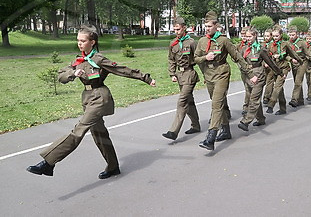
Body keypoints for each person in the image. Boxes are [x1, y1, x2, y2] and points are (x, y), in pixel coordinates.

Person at [27, 25, 156, 179]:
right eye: (78, 40)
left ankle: (49, 162)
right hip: (87, 98)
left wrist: (146, 78)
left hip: (99, 97)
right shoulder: (78, 60)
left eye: (83, 41)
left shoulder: (99, 59)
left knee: (78, 130)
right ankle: (113, 166)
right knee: (99, 135)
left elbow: (122, 69)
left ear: (92, 42)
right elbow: (61, 76)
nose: (79, 43)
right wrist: (73, 73)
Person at [194, 11, 251, 150]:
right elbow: (195, 59)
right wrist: (205, 58)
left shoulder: (223, 40)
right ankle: (225, 131)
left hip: (222, 74)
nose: (207, 28)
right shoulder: (202, 41)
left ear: (216, 26)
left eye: (209, 26)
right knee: (221, 103)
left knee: (216, 104)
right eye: (205, 26)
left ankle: (210, 137)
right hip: (209, 75)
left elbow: (237, 56)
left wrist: (249, 72)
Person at [162, 17, 201, 140]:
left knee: (182, 101)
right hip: (180, 75)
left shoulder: (191, 42)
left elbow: (199, 59)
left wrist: (207, 75)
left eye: (178, 29)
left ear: (184, 28)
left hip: (190, 74)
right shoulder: (173, 43)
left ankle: (173, 131)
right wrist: (172, 74)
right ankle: (196, 125)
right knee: (189, 101)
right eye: (174, 29)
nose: (176, 32)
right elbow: (171, 59)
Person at [238, 28, 282, 131]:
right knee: (252, 98)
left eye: (250, 36)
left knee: (254, 99)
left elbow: (270, 62)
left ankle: (246, 121)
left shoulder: (260, 49)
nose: (248, 39)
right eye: (246, 36)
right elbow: (239, 61)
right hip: (248, 76)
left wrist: (279, 73)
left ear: (255, 36)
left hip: (259, 76)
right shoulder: (244, 49)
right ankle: (261, 119)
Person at [266, 25, 303, 115]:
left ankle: (271, 105)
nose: (275, 38)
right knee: (280, 90)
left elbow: (292, 54)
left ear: (281, 35)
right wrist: (267, 61)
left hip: (283, 69)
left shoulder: (285, 44)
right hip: (274, 68)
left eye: (276, 36)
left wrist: (299, 60)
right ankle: (283, 109)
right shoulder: (270, 45)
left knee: (277, 87)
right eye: (273, 36)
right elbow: (267, 56)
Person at [287, 26, 311, 108]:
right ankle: (300, 100)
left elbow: (308, 54)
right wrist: (290, 59)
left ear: (297, 34)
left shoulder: (302, 43)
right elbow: (286, 55)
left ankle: (294, 100)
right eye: (290, 35)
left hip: (302, 63)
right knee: (297, 81)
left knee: (298, 82)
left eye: (293, 35)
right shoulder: (288, 43)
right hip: (294, 64)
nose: (292, 36)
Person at [237, 26, 250, 116]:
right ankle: (247, 106)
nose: (244, 37)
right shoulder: (239, 46)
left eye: (245, 35)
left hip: (251, 70)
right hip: (243, 70)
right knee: (247, 88)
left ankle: (247, 107)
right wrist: (239, 66)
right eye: (242, 35)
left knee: (249, 89)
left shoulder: (252, 45)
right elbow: (235, 58)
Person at [261, 28, 274, 105]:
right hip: (263, 66)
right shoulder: (262, 44)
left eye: (268, 36)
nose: (266, 37)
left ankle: (266, 97)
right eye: (265, 36)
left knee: (270, 81)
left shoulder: (273, 44)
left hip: (271, 65)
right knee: (264, 81)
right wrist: (263, 63)